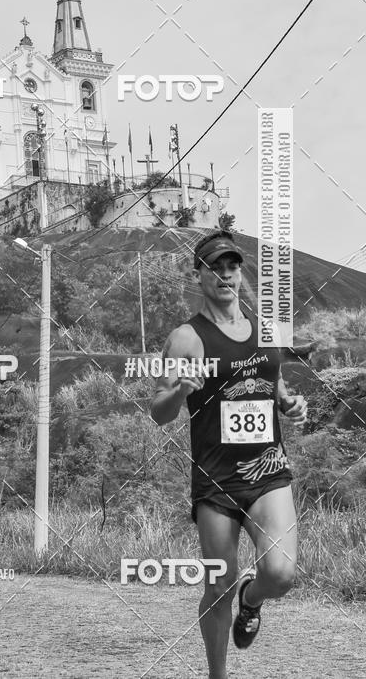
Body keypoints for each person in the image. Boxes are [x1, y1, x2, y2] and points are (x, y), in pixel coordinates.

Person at [151, 230, 308, 679]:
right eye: (214, 268)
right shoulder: (186, 338)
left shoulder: (266, 330)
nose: (225, 275)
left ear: (240, 273)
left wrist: (289, 404)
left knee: (280, 574)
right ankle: (217, 674)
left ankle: (252, 599)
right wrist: (180, 390)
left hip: (268, 472)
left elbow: (273, 385)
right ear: (197, 275)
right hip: (216, 481)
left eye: (232, 266)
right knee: (218, 586)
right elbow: (159, 412)